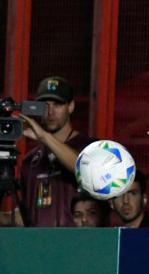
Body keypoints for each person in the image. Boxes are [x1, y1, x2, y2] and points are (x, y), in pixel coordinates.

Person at [14, 76, 94, 226]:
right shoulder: (30, 160)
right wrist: (3, 218)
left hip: (78, 244)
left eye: (57, 105)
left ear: (71, 107)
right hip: (39, 245)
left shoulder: (90, 147)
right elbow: (28, 215)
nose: (50, 112)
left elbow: (84, 168)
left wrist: (44, 137)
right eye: (45, 105)